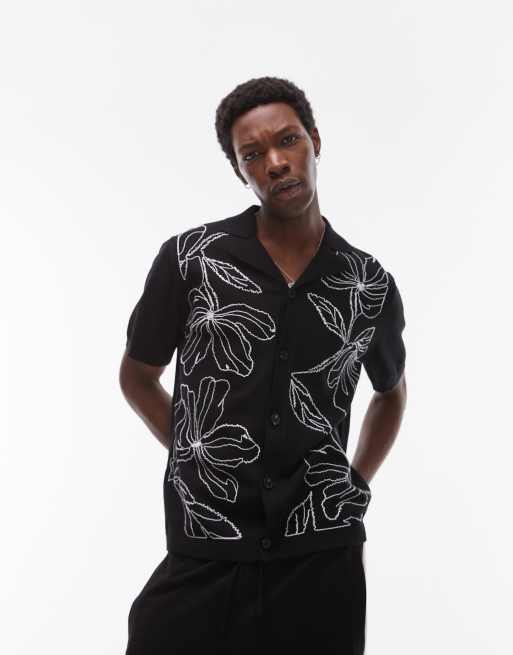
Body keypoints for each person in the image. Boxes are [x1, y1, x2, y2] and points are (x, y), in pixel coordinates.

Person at [119, 76, 407, 655]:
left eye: (288, 140)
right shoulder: (192, 260)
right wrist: (195, 449)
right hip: (206, 548)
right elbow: (137, 376)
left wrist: (352, 484)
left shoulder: (368, 283)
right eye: (252, 154)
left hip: (320, 563)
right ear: (239, 171)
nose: (275, 163)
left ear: (315, 141)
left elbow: (390, 392)